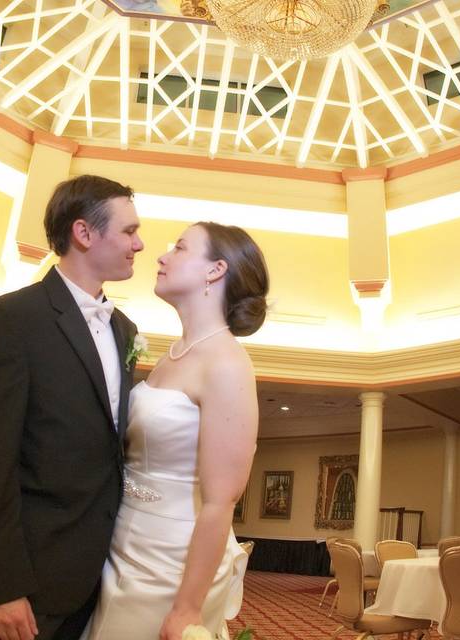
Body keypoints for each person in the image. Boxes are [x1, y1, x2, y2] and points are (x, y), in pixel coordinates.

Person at [0, 175, 144, 640]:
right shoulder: (10, 319)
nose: (139, 244)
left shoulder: (125, 331)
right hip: (26, 584)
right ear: (84, 233)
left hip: (98, 584)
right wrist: (0, 587)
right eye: (129, 231)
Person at [81, 221, 269, 640]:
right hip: (125, 541)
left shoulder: (227, 363)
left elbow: (221, 500)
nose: (162, 257)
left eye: (180, 248)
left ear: (214, 270)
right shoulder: (171, 357)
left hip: (173, 558)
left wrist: (187, 608)